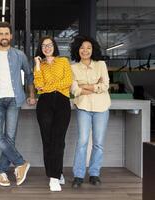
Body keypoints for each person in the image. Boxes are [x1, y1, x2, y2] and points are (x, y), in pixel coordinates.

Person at [0, 22, 36, 187]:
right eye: (1, 34)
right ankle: (20, 162)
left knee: (10, 138)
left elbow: (29, 74)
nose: (4, 36)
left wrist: (31, 94)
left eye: (7, 34)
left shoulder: (20, 55)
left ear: (11, 36)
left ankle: (2, 172)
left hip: (14, 100)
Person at [70, 35, 111, 188]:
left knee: (98, 143)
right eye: (82, 48)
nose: (85, 50)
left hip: (102, 107)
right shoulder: (73, 68)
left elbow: (105, 85)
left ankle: (94, 174)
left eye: (88, 48)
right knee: (82, 142)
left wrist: (85, 86)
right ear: (77, 50)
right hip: (83, 107)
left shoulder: (101, 65)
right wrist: (94, 86)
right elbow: (74, 90)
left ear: (93, 49)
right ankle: (78, 175)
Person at [33, 36, 73, 192]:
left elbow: (67, 81)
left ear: (54, 46)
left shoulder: (63, 61)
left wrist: (49, 86)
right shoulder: (39, 65)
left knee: (59, 140)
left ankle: (55, 175)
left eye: (49, 45)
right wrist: (37, 65)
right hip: (44, 104)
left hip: (62, 102)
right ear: (41, 48)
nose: (47, 48)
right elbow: (38, 85)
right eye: (43, 46)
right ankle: (54, 174)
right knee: (47, 140)